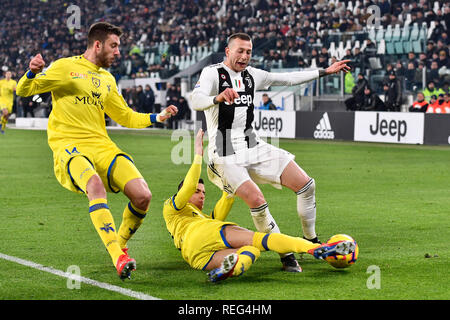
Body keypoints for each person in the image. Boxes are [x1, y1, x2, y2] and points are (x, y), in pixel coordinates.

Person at [15, 22, 178, 280]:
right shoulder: (65, 67)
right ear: (98, 45)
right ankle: (117, 256)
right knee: (95, 185)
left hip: (102, 145)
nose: (118, 52)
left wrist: (157, 117)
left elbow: (124, 116)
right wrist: (31, 72)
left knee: (143, 195)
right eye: (114, 46)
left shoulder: (107, 79)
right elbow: (24, 90)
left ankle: (119, 243)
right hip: (70, 146)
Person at [191, 33, 351, 272]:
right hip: (224, 149)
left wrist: (324, 72)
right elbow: (196, 99)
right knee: (257, 200)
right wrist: (217, 97)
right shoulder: (212, 73)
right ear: (227, 51)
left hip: (252, 143)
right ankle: (286, 255)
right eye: (240, 51)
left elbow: (287, 79)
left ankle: (311, 239)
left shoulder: (253, 75)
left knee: (306, 185)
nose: (244, 56)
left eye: (248, 51)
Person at [162, 129, 356, 282]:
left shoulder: (201, 218)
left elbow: (226, 200)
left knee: (251, 252)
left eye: (204, 192)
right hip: (203, 232)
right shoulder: (172, 208)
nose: (202, 196)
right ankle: (313, 248)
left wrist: (231, 178)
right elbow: (187, 187)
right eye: (198, 192)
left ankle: (232, 268)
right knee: (260, 241)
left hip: (195, 256)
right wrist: (198, 154)